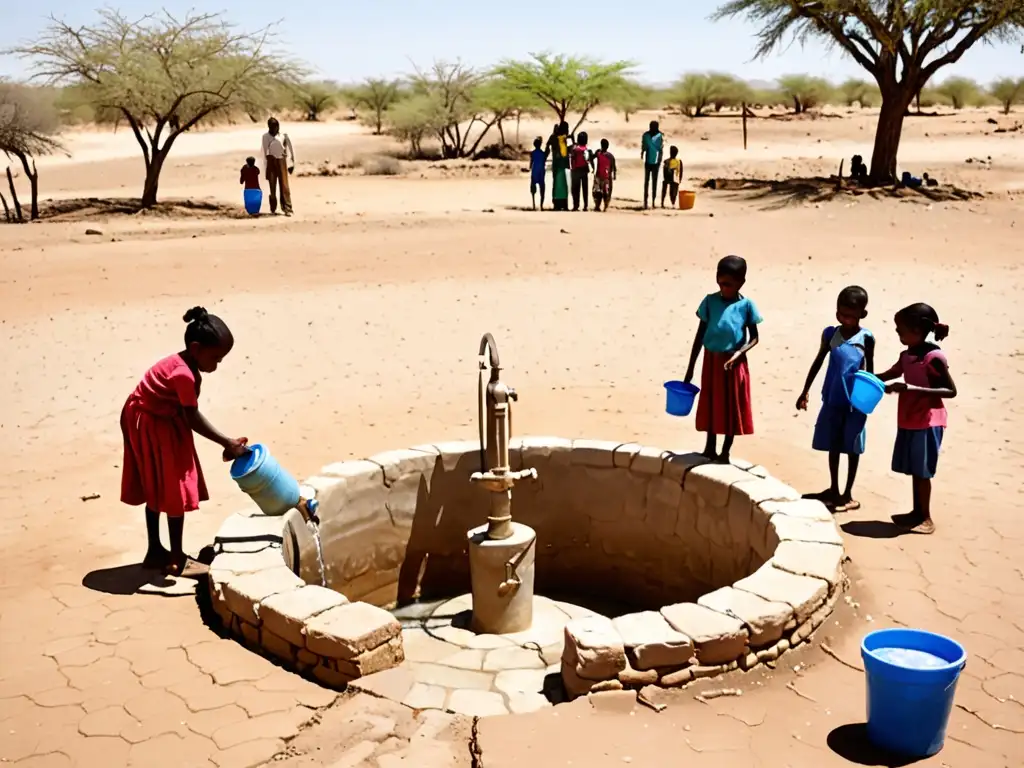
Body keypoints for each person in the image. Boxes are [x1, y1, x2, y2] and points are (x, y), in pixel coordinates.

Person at [120, 307, 249, 576]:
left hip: (158, 416)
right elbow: (192, 417)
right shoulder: (183, 375)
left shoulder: (185, 364)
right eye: (216, 357)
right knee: (173, 487)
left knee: (157, 484)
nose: (218, 364)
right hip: (151, 421)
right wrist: (227, 443)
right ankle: (175, 558)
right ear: (195, 348)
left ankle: (156, 550)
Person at [877, 304, 957, 535]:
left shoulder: (933, 357)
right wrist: (868, 377)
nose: (897, 332)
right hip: (910, 419)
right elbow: (891, 373)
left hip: (928, 421)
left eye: (900, 329)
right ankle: (916, 512)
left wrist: (911, 388)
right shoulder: (907, 355)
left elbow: (950, 391)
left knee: (923, 472)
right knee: (915, 469)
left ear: (917, 330)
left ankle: (926, 518)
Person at [796, 286, 875, 511]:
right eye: (841, 314)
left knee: (852, 447)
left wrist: (869, 399)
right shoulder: (831, 334)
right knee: (833, 443)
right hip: (832, 397)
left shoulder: (866, 338)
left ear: (863, 314)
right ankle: (833, 488)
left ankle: (848, 494)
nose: (846, 319)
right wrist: (805, 391)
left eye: (851, 315)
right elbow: (819, 360)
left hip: (855, 403)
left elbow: (870, 371)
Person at [684, 255, 762, 463]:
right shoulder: (710, 302)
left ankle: (725, 452)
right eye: (720, 282)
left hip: (733, 364)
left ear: (741, 283)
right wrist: (691, 367)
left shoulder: (746, 306)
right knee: (711, 402)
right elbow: (700, 335)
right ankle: (710, 447)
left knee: (730, 406)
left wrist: (738, 354)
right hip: (711, 361)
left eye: (728, 284)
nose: (723, 288)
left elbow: (754, 337)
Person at [262, 117, 295, 216]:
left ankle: (287, 208)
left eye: (276, 126)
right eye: (273, 127)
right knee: (272, 186)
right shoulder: (265, 137)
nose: (275, 129)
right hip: (271, 161)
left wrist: (291, 164)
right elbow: (264, 151)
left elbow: (289, 151)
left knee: (284, 186)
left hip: (281, 161)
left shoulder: (283, 136)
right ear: (269, 127)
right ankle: (273, 207)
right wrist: (266, 167)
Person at [546, 122, 571, 211]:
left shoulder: (560, 138)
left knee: (561, 185)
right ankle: (559, 204)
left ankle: (561, 204)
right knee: (560, 185)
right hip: (559, 165)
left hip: (561, 165)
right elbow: (549, 146)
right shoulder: (557, 138)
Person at [641, 120, 664, 209]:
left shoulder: (658, 136)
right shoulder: (648, 135)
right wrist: (642, 152)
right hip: (649, 161)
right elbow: (644, 146)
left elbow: (660, 149)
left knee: (651, 182)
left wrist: (659, 160)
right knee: (648, 182)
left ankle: (652, 201)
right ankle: (646, 202)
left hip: (655, 162)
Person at [591, 138, 616, 212]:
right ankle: (605, 206)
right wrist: (614, 175)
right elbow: (613, 166)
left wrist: (592, 167)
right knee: (606, 192)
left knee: (597, 192)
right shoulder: (610, 155)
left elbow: (591, 157)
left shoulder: (598, 153)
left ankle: (597, 206)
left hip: (599, 176)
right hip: (607, 177)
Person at [569, 130, 590, 212]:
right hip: (584, 170)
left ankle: (576, 206)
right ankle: (585, 206)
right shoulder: (587, 150)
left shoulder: (575, 149)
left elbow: (572, 160)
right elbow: (588, 160)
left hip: (576, 170)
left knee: (576, 189)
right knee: (585, 189)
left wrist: (572, 169)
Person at [529, 137, 547, 210]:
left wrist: (530, 167)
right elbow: (544, 162)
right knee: (542, 189)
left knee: (533, 189)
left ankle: (533, 204)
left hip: (534, 172)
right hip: (541, 172)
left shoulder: (532, 153)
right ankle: (541, 206)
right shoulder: (543, 153)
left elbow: (531, 163)